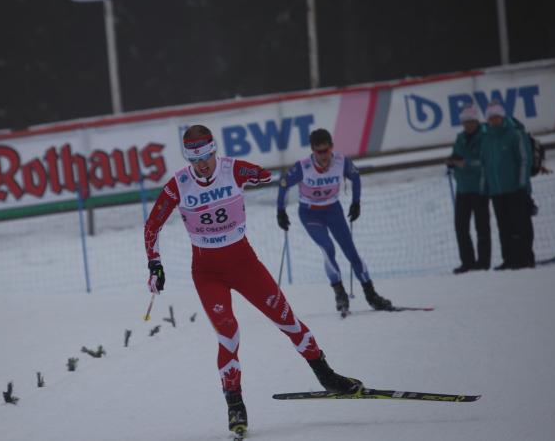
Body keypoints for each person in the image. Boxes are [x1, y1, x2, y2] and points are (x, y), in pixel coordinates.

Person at [143, 125, 362, 438]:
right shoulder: (177, 185)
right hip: (208, 272)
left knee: (287, 320)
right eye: (196, 159)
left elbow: (264, 174)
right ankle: (235, 404)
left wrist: (251, 173)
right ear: (188, 159)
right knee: (228, 333)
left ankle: (326, 375)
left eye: (207, 156)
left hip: (245, 263)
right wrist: (155, 265)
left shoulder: (231, 169)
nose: (203, 164)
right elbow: (152, 226)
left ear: (214, 151)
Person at [276, 128, 394, 315]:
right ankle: (340, 293)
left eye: (326, 150)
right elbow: (283, 184)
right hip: (310, 214)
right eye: (318, 151)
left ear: (332, 147)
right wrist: (280, 212)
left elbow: (355, 177)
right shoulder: (303, 166)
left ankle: (371, 295)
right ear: (312, 150)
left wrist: (356, 203)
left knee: (352, 254)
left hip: (333, 210)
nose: (323, 155)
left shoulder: (341, 162)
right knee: (328, 248)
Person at [479, 102, 534, 270]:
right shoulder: (486, 138)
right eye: (491, 118)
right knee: (504, 226)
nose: (494, 120)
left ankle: (525, 258)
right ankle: (509, 258)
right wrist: (484, 188)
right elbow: (484, 164)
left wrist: (521, 184)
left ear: (502, 117)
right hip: (497, 191)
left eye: (496, 117)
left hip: (515, 189)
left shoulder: (514, 134)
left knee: (520, 224)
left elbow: (525, 159)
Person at [446, 104, 491, 273]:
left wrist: (466, 163)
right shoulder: (461, 138)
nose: (468, 125)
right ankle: (467, 261)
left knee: (482, 226)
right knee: (461, 226)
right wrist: (451, 161)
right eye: (465, 122)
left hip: (480, 188)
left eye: (470, 121)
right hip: (463, 188)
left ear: (476, 121)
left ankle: (484, 262)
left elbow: (485, 161)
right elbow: (456, 155)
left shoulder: (485, 136)